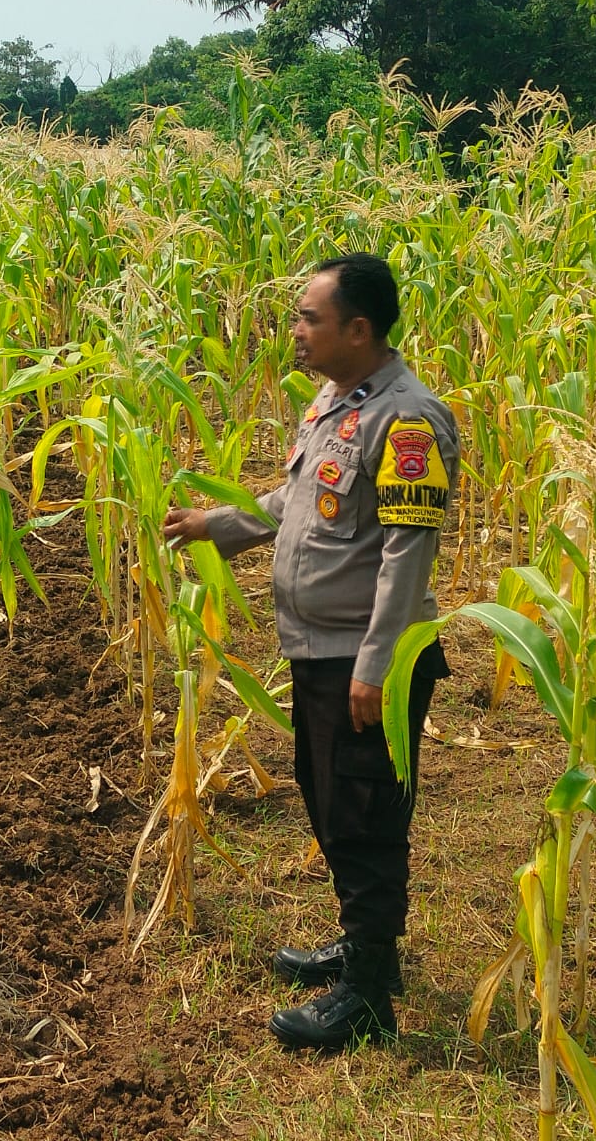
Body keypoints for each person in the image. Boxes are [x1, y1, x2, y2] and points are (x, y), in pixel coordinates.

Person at [163, 253, 458, 1049]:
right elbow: (298, 498)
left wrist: (376, 666)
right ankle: (363, 945)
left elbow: (406, 554)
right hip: (320, 649)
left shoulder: (407, 421)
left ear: (357, 329)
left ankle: (367, 993)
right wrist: (216, 525)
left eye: (308, 318)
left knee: (362, 816)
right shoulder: (336, 402)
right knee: (330, 800)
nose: (294, 330)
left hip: (362, 659)